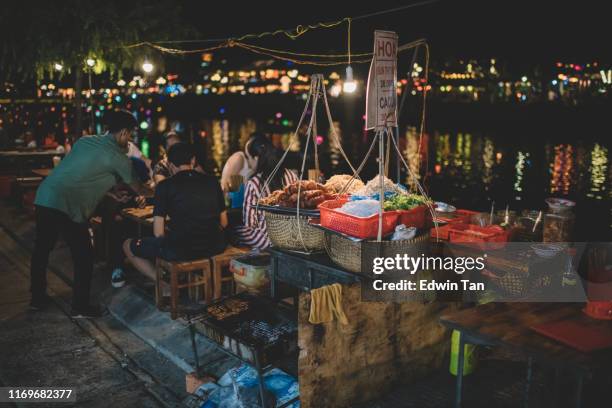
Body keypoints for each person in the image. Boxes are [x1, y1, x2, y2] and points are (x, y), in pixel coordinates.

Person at [30, 110, 145, 318]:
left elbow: (81, 172)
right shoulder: (118, 157)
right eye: (130, 135)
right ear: (124, 133)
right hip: (68, 206)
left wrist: (110, 193)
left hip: (46, 196)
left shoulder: (84, 141)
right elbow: (138, 187)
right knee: (84, 256)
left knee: (41, 250)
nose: (130, 140)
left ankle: (36, 299)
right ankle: (80, 306)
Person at [123, 143, 228, 282]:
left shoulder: (164, 186)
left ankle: (165, 284)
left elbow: (158, 233)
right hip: (216, 245)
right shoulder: (213, 181)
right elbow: (224, 222)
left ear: (170, 165)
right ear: (193, 161)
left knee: (128, 245)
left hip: (182, 250)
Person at [235, 143, 297, 249]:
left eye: (249, 158)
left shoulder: (254, 183)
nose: (249, 164)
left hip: (268, 240)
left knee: (236, 230)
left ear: (256, 158)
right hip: (293, 235)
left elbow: (250, 223)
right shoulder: (292, 175)